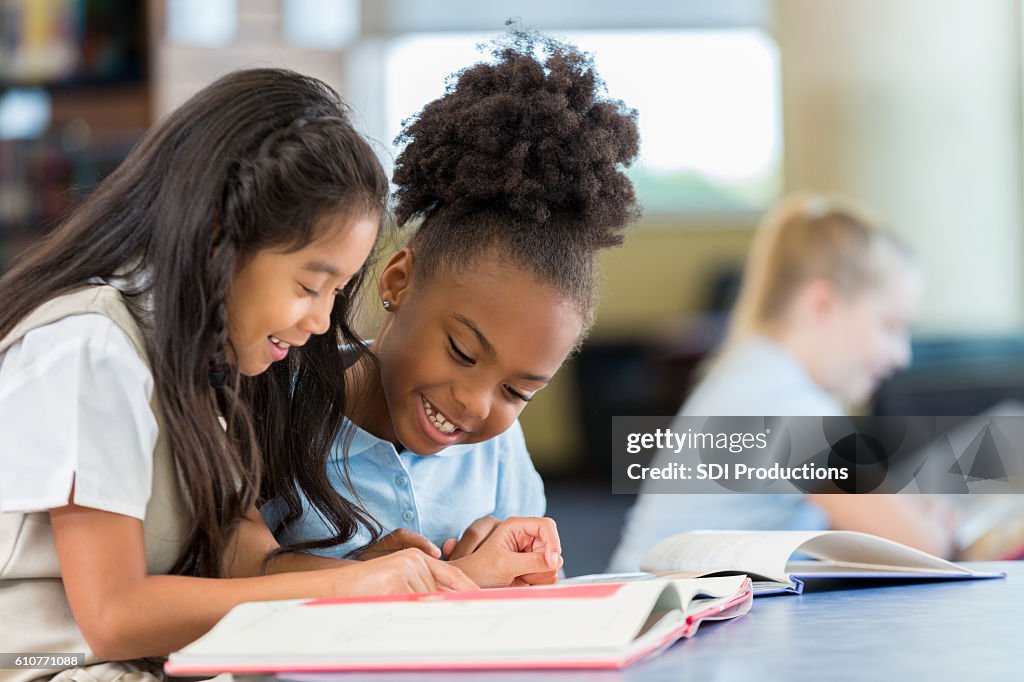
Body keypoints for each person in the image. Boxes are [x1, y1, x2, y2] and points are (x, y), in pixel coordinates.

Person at [0, 68, 491, 682]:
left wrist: (368, 575)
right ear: (217, 242)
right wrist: (354, 587)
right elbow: (113, 615)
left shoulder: (206, 363)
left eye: (335, 293)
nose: (319, 321)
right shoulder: (91, 348)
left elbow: (247, 566)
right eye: (310, 286)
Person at [264, 33, 642, 586]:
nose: (475, 403)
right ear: (398, 281)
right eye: (463, 352)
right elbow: (232, 574)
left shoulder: (498, 452)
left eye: (517, 392)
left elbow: (534, 605)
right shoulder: (278, 402)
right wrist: (363, 578)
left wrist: (526, 578)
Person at [609, 193, 959, 572]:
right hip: (655, 620)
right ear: (823, 305)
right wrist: (937, 524)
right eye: (889, 326)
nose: (901, 355)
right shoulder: (784, 405)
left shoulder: (753, 374)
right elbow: (920, 548)